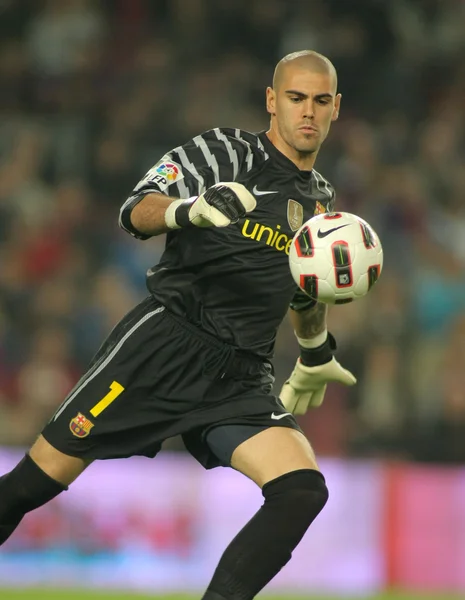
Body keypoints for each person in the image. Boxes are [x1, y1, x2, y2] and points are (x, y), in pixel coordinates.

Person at [0, 50, 356, 600]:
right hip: (163, 347)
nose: (307, 111)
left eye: (320, 101)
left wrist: (313, 352)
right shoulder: (223, 152)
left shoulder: (322, 203)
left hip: (240, 379)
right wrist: (187, 209)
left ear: (336, 109)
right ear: (271, 101)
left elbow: (305, 288)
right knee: (27, 488)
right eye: (296, 98)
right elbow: (135, 209)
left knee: (302, 490)